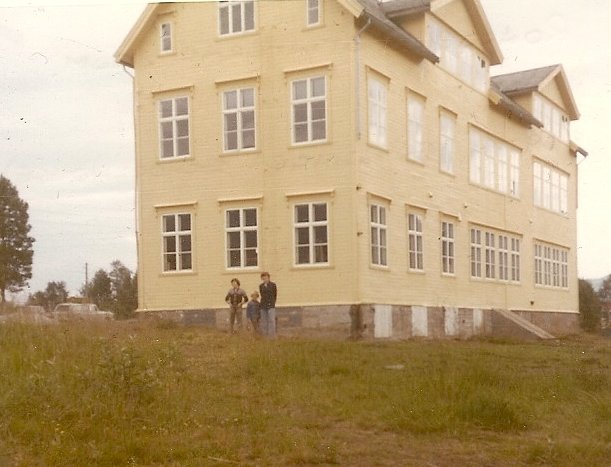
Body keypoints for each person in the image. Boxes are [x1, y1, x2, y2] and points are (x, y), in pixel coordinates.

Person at [259, 272, 277, 337]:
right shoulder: (261, 286)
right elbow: (262, 295)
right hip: (263, 305)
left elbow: (275, 295)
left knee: (271, 320)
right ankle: (265, 336)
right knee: (264, 321)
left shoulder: (273, 285)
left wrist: (272, 303)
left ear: (269, 278)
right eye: (263, 278)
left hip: (271, 305)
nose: (265, 279)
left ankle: (271, 336)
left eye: (266, 278)